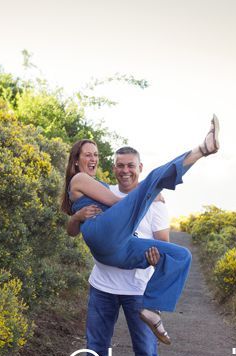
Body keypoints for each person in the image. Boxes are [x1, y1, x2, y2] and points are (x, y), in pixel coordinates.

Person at [60, 115, 220, 343]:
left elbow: (144, 222)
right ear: (76, 161)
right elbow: (117, 203)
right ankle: (203, 149)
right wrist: (150, 194)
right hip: (101, 235)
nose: (93, 158)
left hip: (117, 249)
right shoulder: (79, 179)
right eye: (88, 154)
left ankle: (152, 308)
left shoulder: (98, 184)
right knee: (154, 179)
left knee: (180, 255)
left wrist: (148, 197)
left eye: (96, 154)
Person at [65, 146, 174, 356]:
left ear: (140, 167)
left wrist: (154, 257)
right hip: (102, 286)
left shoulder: (155, 203)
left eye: (131, 166)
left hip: (138, 291)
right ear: (113, 168)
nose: (125, 171)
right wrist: (77, 218)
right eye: (119, 166)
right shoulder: (102, 191)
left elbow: (163, 245)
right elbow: (73, 226)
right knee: (96, 352)